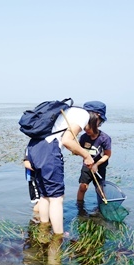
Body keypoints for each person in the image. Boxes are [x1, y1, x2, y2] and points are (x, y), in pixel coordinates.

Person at [26, 100, 107, 238]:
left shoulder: (71, 111)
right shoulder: (83, 115)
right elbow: (67, 141)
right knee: (57, 198)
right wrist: (86, 155)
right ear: (97, 115)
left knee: (45, 195)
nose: (98, 125)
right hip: (49, 150)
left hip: (33, 148)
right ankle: (59, 236)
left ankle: (44, 229)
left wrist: (79, 150)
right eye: (100, 121)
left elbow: (65, 139)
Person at [77, 102, 111, 204]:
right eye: (85, 129)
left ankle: (101, 206)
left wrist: (96, 164)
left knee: (99, 188)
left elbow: (107, 154)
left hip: (99, 167)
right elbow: (78, 150)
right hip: (86, 167)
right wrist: (77, 151)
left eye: (90, 129)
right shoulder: (83, 137)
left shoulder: (105, 138)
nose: (87, 131)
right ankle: (80, 206)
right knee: (83, 187)